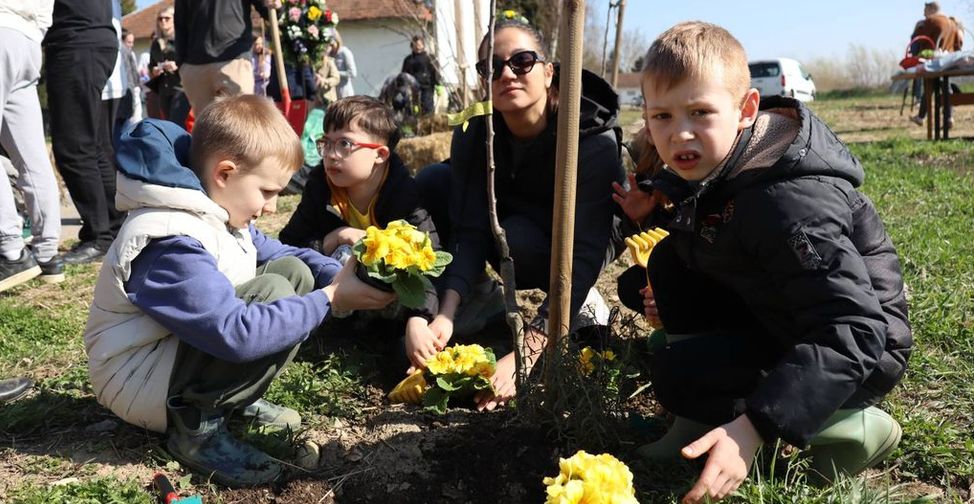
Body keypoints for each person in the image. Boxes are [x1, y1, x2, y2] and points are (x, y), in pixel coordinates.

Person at [611, 22, 911, 503]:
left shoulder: (789, 204)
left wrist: (754, 426)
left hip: (859, 355)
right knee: (668, 265)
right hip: (784, 316)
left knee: (678, 374)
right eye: (662, 116)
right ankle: (696, 420)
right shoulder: (722, 161)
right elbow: (711, 225)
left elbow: (854, 327)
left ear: (746, 110)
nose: (679, 132)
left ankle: (850, 427)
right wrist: (656, 211)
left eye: (700, 112)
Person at [84, 95, 396, 487]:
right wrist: (331, 300)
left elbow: (281, 252)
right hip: (137, 380)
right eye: (266, 192)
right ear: (225, 173)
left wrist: (336, 276)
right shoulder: (169, 238)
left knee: (293, 272)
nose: (270, 207)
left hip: (166, 359)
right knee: (277, 291)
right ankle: (195, 427)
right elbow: (235, 333)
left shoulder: (213, 207)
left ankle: (227, 400)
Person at [415, 19, 624, 411]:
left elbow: (585, 249)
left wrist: (528, 348)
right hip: (512, 220)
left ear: (548, 73)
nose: (506, 74)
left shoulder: (592, 141)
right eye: (491, 67)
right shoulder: (475, 133)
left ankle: (579, 305)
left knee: (517, 239)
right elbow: (471, 226)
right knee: (433, 182)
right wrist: (445, 313)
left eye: (522, 61)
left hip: (582, 238)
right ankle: (475, 296)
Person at [279, 96, 440, 374]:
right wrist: (336, 236)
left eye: (344, 144)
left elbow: (429, 258)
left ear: (380, 154)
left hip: (388, 295)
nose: (330, 154)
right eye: (326, 143)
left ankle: (385, 330)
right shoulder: (320, 186)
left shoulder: (402, 193)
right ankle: (336, 329)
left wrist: (419, 318)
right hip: (339, 287)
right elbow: (289, 244)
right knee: (341, 255)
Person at [44, 0, 123, 264]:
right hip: (94, 38)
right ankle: (114, 226)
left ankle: (98, 236)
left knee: (74, 148)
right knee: (94, 145)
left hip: (76, 41)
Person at [0, 0, 64, 290]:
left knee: (31, 157)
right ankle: (48, 254)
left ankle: (11, 250)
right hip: (27, 38)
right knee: (32, 157)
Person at [175, 0, 281, 114]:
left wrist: (277, 7)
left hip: (234, 61)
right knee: (205, 126)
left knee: (242, 120)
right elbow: (180, 23)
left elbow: (267, 9)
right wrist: (182, 64)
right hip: (195, 66)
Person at [909, 1, 963, 126]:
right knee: (944, 87)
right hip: (949, 61)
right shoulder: (953, 23)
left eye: (925, 9)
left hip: (933, 63)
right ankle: (946, 117)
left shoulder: (930, 22)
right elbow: (959, 44)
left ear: (932, 8)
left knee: (929, 87)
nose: (924, 12)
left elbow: (916, 45)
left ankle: (925, 117)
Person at [147, 7, 188, 128]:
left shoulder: (182, 39)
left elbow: (192, 61)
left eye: (167, 18)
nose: (163, 21)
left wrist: (176, 66)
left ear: (174, 19)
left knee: (176, 124)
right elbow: (151, 65)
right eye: (160, 19)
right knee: (168, 124)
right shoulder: (155, 43)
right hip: (162, 90)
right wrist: (154, 70)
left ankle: (183, 147)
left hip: (180, 88)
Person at [401, 35, 438, 115]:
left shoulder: (429, 58)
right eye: (416, 45)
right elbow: (404, 75)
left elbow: (435, 72)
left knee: (428, 110)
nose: (418, 47)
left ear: (423, 45)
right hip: (413, 90)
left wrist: (438, 84)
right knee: (412, 112)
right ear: (412, 46)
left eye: (420, 45)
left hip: (427, 88)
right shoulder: (408, 60)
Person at [331, 32, 356, 99]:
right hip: (333, 93)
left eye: (332, 45)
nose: (331, 47)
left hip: (344, 92)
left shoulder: (344, 52)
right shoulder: (330, 54)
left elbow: (352, 73)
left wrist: (336, 73)